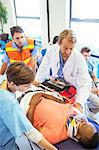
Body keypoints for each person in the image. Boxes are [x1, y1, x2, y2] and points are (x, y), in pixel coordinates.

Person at [6, 62, 99, 149]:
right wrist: (41, 94)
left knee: (15, 87)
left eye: (85, 126)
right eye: (88, 122)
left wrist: (32, 104)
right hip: (37, 92)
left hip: (24, 100)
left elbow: (30, 129)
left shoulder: (56, 135)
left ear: (78, 136)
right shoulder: (74, 114)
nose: (84, 122)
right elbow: (58, 100)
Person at [0, 63, 57, 150]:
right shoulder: (9, 103)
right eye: (26, 86)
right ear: (12, 84)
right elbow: (30, 132)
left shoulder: (5, 79)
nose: (30, 87)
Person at [34, 29, 91, 112]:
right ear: (59, 43)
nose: (68, 52)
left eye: (71, 48)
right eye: (65, 48)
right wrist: (37, 80)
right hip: (56, 85)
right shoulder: (52, 50)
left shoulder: (79, 58)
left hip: (72, 89)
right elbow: (44, 66)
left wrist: (79, 103)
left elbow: (84, 84)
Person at [81, 47, 99, 121]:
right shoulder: (78, 65)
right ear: (81, 55)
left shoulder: (89, 64)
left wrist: (97, 86)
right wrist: (92, 90)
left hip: (92, 86)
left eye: (88, 56)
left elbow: (94, 76)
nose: (87, 58)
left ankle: (90, 110)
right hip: (85, 89)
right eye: (85, 56)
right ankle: (88, 108)